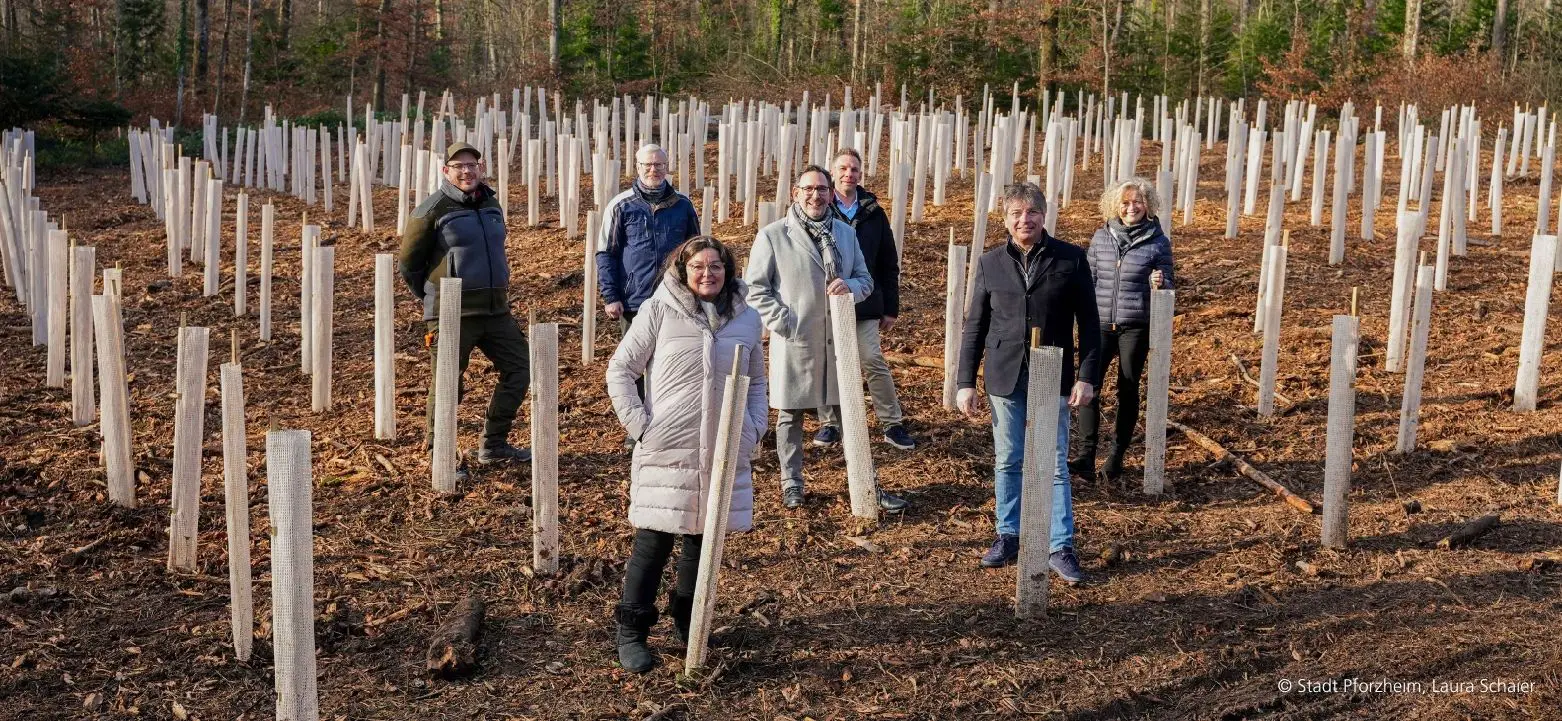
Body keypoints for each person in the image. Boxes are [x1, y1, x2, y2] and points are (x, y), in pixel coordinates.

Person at [605, 236, 767, 674]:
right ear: (682, 270)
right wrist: (642, 427)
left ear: (728, 271)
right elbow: (621, 370)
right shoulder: (658, 310)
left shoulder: (747, 318)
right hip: (668, 446)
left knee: (703, 541)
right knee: (653, 541)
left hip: (724, 446)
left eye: (716, 266)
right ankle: (632, 632)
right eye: (698, 266)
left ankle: (689, 623)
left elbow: (756, 381)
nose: (707, 274)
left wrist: (753, 429)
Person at [956, 182, 1100, 583]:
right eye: (1017, 213)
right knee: (1009, 458)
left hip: (1052, 371)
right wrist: (966, 381)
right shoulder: (989, 263)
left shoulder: (1071, 259)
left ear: (1044, 215)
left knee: (1053, 462)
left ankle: (1060, 545)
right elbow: (975, 326)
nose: (1025, 220)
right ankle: (1009, 534)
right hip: (1004, 373)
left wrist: (1087, 377)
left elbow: (1089, 323)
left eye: (1032, 212)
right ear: (1005, 219)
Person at [745, 165, 909, 512]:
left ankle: (867, 484)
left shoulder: (846, 234)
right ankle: (792, 484)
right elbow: (756, 289)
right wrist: (785, 322)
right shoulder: (773, 236)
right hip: (796, 339)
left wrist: (849, 287)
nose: (815, 195)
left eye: (821, 189)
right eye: (808, 189)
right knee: (790, 416)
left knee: (849, 414)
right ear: (796, 193)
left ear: (831, 194)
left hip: (839, 340)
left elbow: (866, 280)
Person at [399, 141, 531, 471]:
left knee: (520, 369)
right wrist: (435, 298)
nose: (466, 171)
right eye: (459, 166)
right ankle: (440, 456)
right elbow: (409, 264)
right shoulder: (431, 210)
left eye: (472, 165)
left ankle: (494, 444)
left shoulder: (491, 204)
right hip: (451, 313)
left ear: (480, 168)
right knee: (447, 384)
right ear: (446, 171)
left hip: (495, 309)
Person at [814, 148, 916, 451]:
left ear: (861, 174)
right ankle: (831, 423)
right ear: (833, 173)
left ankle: (892, 423)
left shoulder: (874, 212)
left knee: (872, 358)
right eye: (843, 168)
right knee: (829, 361)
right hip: (827, 303)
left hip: (867, 300)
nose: (849, 174)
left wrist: (891, 307)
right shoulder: (819, 207)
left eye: (854, 169)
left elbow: (888, 262)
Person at [1073, 178, 1175, 483]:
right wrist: (1081, 318)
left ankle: (1116, 457)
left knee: (1128, 389)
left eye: (1137, 202)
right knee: (1088, 387)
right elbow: (1088, 281)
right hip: (1100, 325)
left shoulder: (1158, 242)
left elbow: (1169, 283)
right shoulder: (1101, 237)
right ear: (1115, 205)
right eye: (1126, 202)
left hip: (1136, 326)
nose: (1132, 208)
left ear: (1148, 205)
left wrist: (1160, 282)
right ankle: (1085, 456)